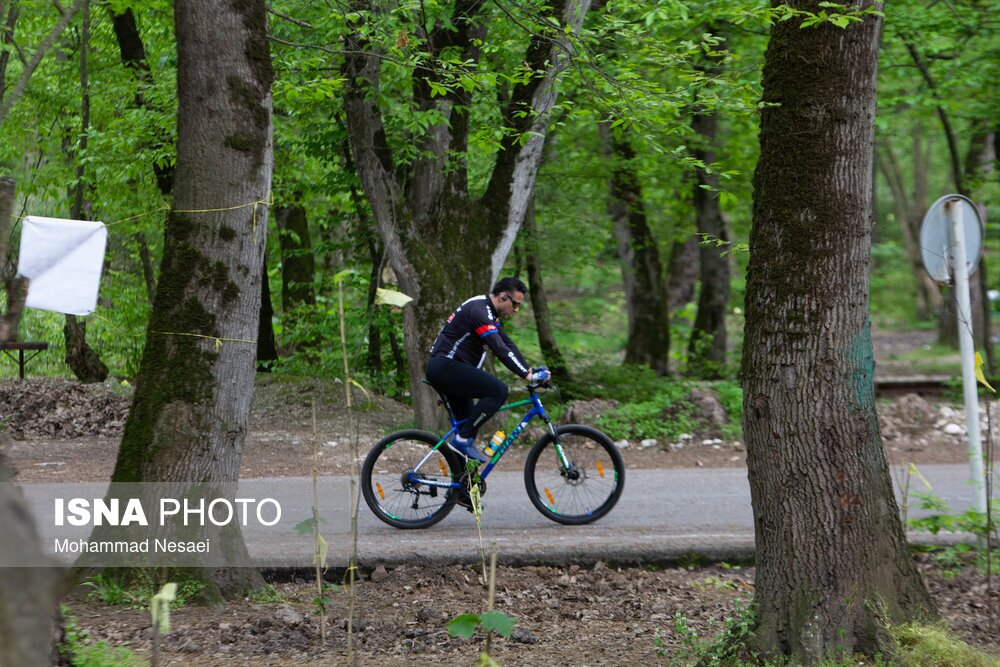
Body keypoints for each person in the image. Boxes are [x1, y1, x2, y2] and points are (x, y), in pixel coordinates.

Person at [425, 277, 551, 463]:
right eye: (515, 304)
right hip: (446, 367)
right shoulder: (479, 311)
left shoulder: (488, 313)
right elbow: (498, 348)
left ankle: (460, 490)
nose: (516, 310)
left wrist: (528, 369)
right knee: (498, 391)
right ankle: (462, 440)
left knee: (467, 428)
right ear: (502, 297)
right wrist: (526, 375)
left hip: (451, 370)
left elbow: (507, 344)